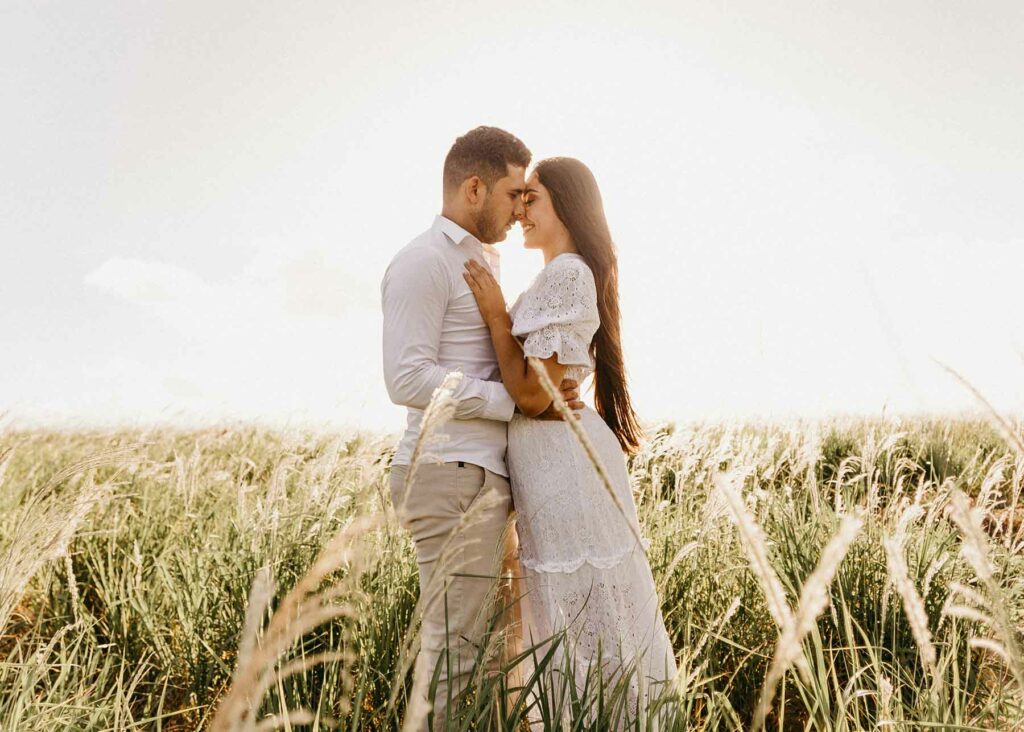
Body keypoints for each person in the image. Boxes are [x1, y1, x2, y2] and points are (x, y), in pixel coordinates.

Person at [461, 156, 678, 724]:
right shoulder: (555, 275)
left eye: (533, 197)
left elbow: (534, 397)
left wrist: (495, 318)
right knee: (569, 611)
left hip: (565, 469)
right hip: (550, 463)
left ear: (567, 205)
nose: (521, 209)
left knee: (583, 609)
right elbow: (542, 389)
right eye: (521, 196)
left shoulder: (569, 274)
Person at [381, 126, 583, 728]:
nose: (521, 207)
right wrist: (513, 401)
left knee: (494, 665)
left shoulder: (478, 260)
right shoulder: (424, 261)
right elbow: (406, 378)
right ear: (474, 188)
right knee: (460, 664)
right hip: (450, 473)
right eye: (513, 193)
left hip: (479, 477)